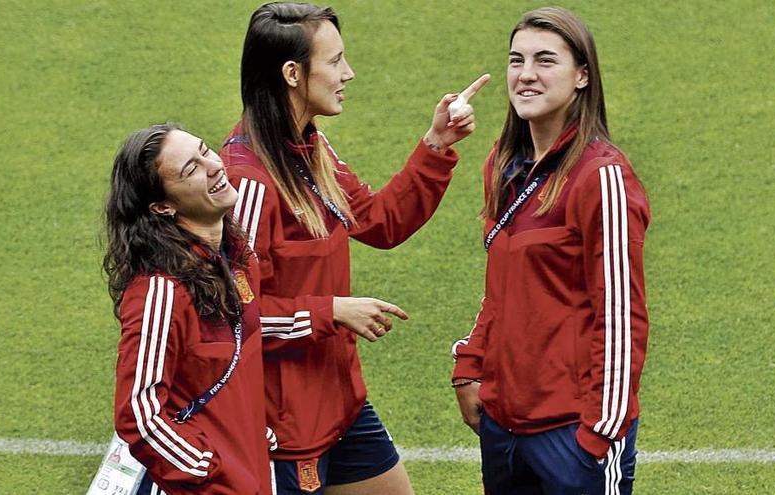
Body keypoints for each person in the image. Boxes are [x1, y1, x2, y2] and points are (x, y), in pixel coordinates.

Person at [220, 3, 488, 494]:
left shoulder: (310, 150)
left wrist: (436, 144)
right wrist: (331, 312)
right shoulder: (247, 180)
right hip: (283, 426)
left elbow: (381, 221)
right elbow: (230, 317)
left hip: (341, 404)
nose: (349, 73)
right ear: (293, 74)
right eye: (335, 61)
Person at [450, 7, 651, 494]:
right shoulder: (502, 164)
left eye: (545, 61)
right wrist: (471, 364)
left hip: (572, 434)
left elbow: (621, 315)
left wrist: (599, 432)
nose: (526, 75)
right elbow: (502, 288)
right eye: (516, 61)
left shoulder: (602, 178)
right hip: (504, 426)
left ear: (582, 75)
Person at [105, 124, 272, 495]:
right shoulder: (160, 290)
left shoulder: (237, 260)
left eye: (205, 150)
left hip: (251, 474)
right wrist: (206, 468)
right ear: (162, 206)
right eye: (190, 169)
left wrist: (250, 433)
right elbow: (138, 413)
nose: (213, 165)